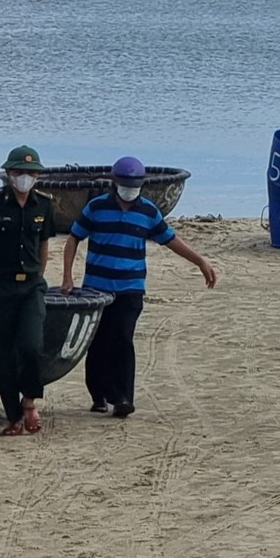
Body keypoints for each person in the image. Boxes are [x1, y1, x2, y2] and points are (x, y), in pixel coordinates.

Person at [61, 157, 217, 418]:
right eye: (125, 185)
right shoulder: (96, 207)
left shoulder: (148, 211)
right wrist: (68, 277)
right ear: (115, 183)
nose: (130, 190)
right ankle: (98, 395)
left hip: (130, 288)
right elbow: (73, 238)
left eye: (134, 185)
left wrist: (200, 261)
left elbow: (171, 240)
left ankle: (122, 398)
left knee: (122, 338)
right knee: (98, 342)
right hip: (97, 288)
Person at [0, 146, 57, 435]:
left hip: (31, 286)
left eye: (31, 173)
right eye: (19, 172)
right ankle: (13, 416)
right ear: (8, 174)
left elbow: (44, 244)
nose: (25, 178)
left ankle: (29, 401)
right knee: (2, 353)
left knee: (31, 345)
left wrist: (38, 276)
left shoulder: (43, 204)